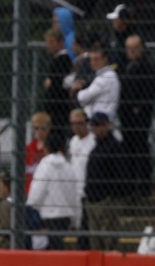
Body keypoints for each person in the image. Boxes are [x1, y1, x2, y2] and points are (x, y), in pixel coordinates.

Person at [118, 35, 155, 201]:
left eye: (134, 48)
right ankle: (131, 186)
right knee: (129, 148)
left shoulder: (146, 68)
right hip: (126, 114)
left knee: (140, 147)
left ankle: (142, 186)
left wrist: (138, 107)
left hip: (139, 115)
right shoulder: (125, 66)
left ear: (141, 48)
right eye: (129, 48)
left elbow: (149, 90)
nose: (131, 51)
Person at [27, 131, 78, 250]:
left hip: (48, 216)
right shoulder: (68, 166)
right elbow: (74, 194)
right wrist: (76, 219)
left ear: (46, 147)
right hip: (65, 216)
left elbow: (36, 193)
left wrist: (31, 206)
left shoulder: (44, 166)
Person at [83, 112, 122, 252]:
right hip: (93, 199)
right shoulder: (97, 146)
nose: (95, 128)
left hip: (105, 200)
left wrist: (111, 196)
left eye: (99, 125)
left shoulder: (113, 146)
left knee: (108, 239)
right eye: (93, 125)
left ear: (108, 125)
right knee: (95, 240)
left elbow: (119, 174)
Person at [67, 108, 96, 245]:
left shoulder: (93, 141)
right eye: (73, 123)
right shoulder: (73, 141)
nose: (76, 126)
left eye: (79, 123)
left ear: (86, 123)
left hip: (88, 190)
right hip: (75, 189)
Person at [73, 44, 120, 121]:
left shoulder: (107, 76)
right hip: (95, 120)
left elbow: (83, 98)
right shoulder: (101, 75)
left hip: (103, 122)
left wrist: (77, 91)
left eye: (96, 59)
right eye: (91, 59)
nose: (93, 62)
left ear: (105, 59)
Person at [42, 27, 73, 137]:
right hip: (54, 109)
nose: (48, 45)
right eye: (47, 42)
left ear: (60, 42)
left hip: (59, 109)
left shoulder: (63, 59)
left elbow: (57, 83)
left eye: (51, 42)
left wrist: (51, 82)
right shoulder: (55, 60)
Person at [25, 112, 51, 195]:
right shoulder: (29, 148)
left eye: (43, 128)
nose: (40, 131)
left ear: (48, 128)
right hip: (31, 188)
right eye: (36, 128)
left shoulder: (52, 146)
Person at [105, 3, 137, 72]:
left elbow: (120, 63)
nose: (113, 22)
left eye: (116, 19)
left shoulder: (131, 37)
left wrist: (110, 67)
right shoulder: (113, 35)